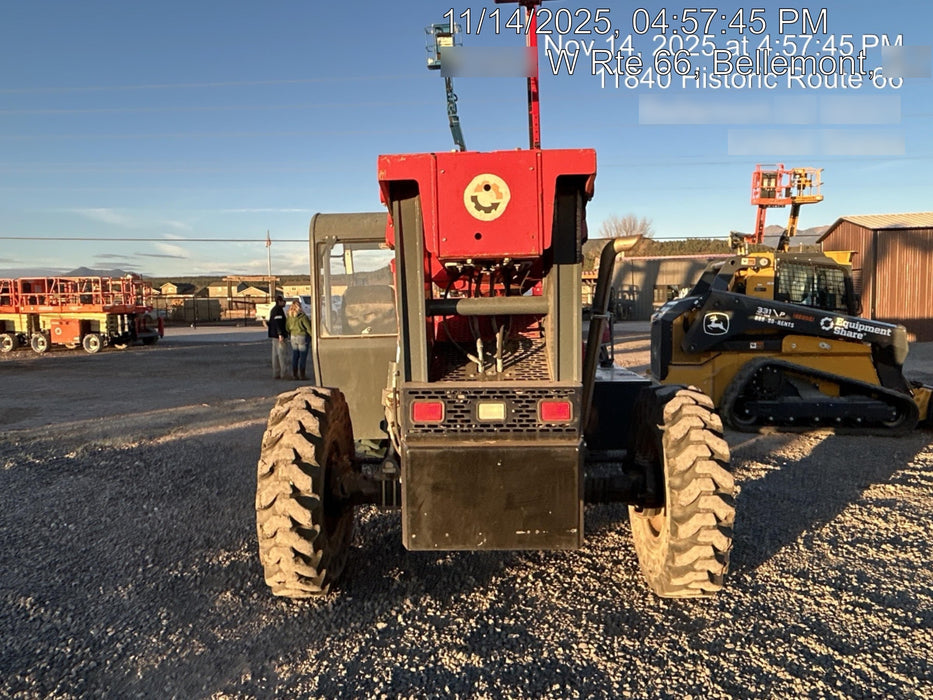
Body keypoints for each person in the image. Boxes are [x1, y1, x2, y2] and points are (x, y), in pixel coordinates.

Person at [286, 300, 313, 381]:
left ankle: (294, 374)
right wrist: (313, 336)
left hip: (293, 336)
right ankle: (302, 374)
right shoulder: (303, 317)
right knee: (303, 357)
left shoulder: (289, 317)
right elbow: (308, 328)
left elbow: (287, 327)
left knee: (295, 355)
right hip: (302, 336)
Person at [267, 295, 289, 379]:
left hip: (274, 335)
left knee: (275, 355)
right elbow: (278, 323)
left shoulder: (273, 310)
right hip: (279, 335)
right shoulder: (278, 310)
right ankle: (284, 373)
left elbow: (271, 322)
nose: (284, 303)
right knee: (282, 354)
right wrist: (280, 334)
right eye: (283, 301)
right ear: (279, 301)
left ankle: (276, 372)